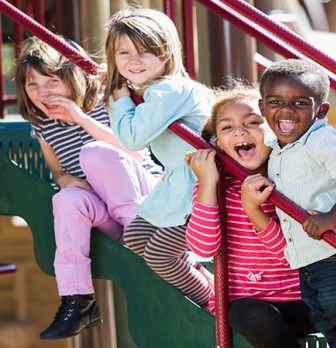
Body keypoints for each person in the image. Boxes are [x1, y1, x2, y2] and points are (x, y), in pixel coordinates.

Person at [15, 37, 161, 339]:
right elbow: (57, 169)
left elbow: (133, 151)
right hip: (109, 216)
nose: (43, 92)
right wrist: (64, 179)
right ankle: (78, 301)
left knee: (94, 152)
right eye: (33, 85)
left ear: (72, 76)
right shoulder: (43, 125)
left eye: (52, 81)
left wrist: (79, 118)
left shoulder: (106, 101)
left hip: (145, 208)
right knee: (66, 199)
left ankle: (140, 240)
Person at [257, 59, 336, 348]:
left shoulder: (321, 139)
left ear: (320, 110)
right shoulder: (276, 149)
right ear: (262, 108)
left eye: (299, 103)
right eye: (275, 101)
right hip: (311, 257)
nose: (286, 110)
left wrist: (332, 218)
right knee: (330, 329)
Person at [185, 81, 316, 347]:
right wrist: (209, 183)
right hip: (247, 302)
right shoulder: (215, 187)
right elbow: (203, 246)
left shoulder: (291, 182)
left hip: (300, 299)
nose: (240, 131)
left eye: (253, 122)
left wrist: (253, 210)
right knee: (255, 317)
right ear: (217, 143)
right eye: (226, 127)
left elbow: (292, 255)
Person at [103, 8, 215, 308]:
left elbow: (132, 138)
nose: (134, 60)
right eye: (124, 53)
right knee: (137, 237)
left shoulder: (169, 90)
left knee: (159, 254)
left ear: (166, 53)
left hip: (202, 186)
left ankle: (211, 304)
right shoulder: (157, 90)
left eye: (146, 52)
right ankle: (204, 277)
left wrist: (122, 101)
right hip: (179, 181)